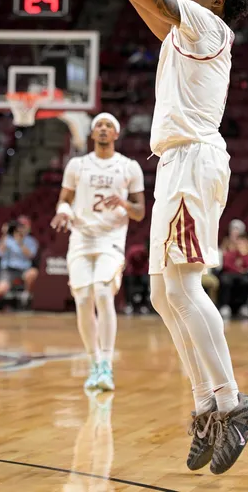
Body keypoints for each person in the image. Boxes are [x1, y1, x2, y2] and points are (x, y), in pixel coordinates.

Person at [126, 0, 248, 476]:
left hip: (194, 160)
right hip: (176, 164)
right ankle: (206, 405)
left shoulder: (209, 28)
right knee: (163, 293)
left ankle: (232, 402)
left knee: (182, 289)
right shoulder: (185, 35)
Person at [50, 113, 145, 392]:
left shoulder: (129, 167)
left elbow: (139, 212)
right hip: (81, 237)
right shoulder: (77, 165)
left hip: (111, 239)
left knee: (103, 293)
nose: (103, 129)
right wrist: (64, 213)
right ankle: (93, 363)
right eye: (99, 126)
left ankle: (106, 364)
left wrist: (125, 204)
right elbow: (64, 201)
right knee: (82, 300)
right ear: (93, 134)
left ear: (116, 134)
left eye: (109, 126)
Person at [0, 215, 39, 309]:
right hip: (8, 270)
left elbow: (30, 255)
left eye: (24, 226)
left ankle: (26, 296)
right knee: (1, 290)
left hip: (23, 270)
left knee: (33, 273)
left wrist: (20, 242)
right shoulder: (7, 239)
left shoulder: (31, 241)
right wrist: (5, 234)